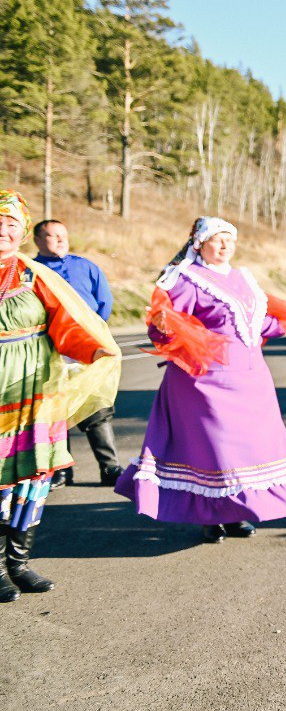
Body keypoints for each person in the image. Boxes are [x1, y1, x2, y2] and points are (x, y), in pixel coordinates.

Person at [114, 217, 286, 544]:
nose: (225, 246)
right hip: (206, 382)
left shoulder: (242, 278)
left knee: (246, 452)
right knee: (214, 452)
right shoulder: (185, 280)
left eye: (230, 240)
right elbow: (163, 323)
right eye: (218, 240)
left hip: (251, 380)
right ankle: (211, 517)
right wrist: (163, 327)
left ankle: (235, 512)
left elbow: (256, 324)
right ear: (199, 244)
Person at [0, 190, 118, 602]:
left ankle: (19, 563)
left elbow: (66, 326)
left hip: (39, 389)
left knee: (33, 477)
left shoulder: (36, 275)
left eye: (12, 223)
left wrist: (94, 348)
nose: (3, 230)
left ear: (21, 232)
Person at [32, 219, 122, 487]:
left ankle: (110, 467)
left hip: (87, 346)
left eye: (63, 234)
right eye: (52, 236)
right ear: (37, 240)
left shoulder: (86, 267)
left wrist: (91, 335)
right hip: (48, 350)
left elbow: (104, 303)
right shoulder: (31, 272)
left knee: (96, 406)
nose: (60, 240)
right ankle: (61, 470)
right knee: (56, 408)